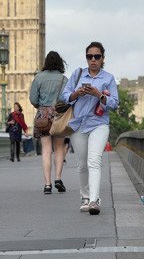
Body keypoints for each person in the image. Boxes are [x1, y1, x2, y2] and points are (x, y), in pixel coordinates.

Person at [61, 41, 118, 215]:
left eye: (97, 56)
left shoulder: (108, 78)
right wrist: (77, 93)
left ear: (102, 59)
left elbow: (115, 103)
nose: (93, 60)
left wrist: (99, 95)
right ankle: (85, 197)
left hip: (99, 124)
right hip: (78, 124)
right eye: (89, 56)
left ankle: (94, 200)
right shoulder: (78, 75)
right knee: (81, 164)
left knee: (94, 161)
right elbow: (64, 96)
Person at [29, 51, 68, 194]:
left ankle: (47, 184)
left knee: (46, 150)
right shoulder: (64, 79)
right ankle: (58, 178)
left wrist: (41, 107)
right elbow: (67, 99)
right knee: (59, 148)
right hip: (59, 115)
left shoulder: (39, 78)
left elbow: (33, 98)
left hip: (43, 116)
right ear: (60, 63)